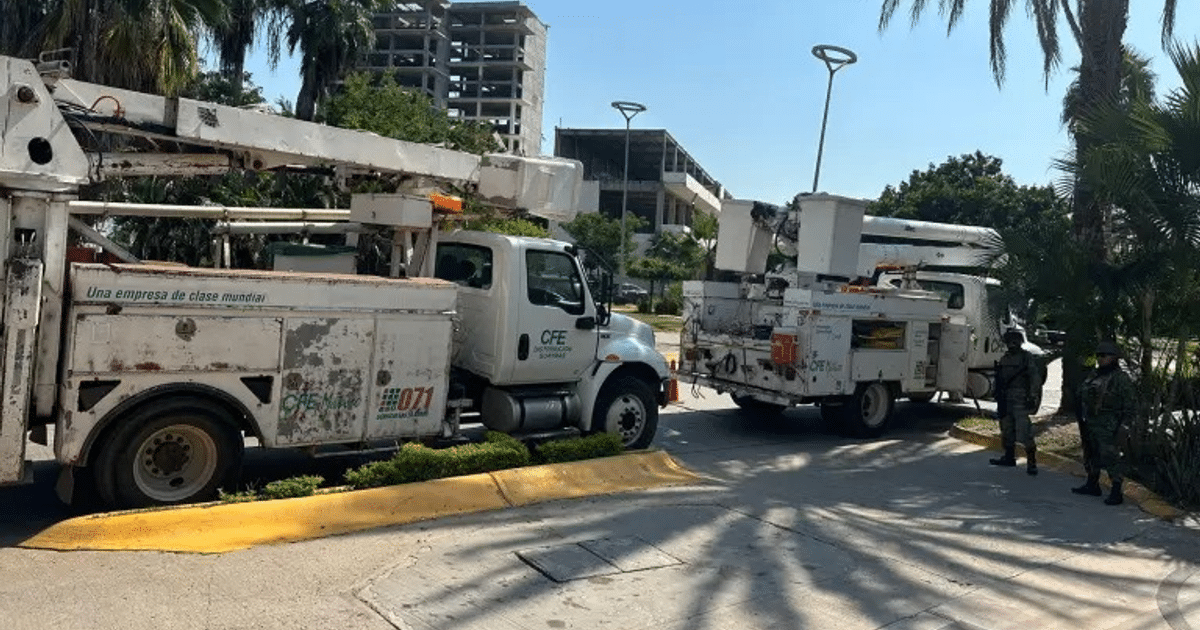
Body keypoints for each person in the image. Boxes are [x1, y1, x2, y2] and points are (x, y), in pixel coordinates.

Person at [1072, 341, 1137, 505]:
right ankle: (1092, 484)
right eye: (1098, 356)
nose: (1100, 359)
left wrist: (1125, 425)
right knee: (1091, 454)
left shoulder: (1120, 378)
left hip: (1109, 424)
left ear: (1114, 358)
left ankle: (1116, 491)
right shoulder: (1095, 374)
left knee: (1110, 457)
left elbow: (1130, 404)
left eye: (1104, 356)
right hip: (1091, 421)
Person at [990, 329, 1044, 474]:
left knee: (1024, 430)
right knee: (1006, 429)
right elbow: (999, 377)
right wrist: (996, 393)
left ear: (1020, 342)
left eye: (1014, 341)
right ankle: (1009, 457)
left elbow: (1035, 379)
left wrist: (1033, 396)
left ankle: (1031, 462)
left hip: (1020, 399)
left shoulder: (1026, 358)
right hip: (1005, 399)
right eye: (1009, 342)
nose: (1011, 344)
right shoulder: (1005, 358)